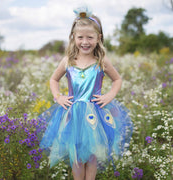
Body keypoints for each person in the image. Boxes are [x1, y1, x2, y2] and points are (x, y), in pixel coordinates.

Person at [36, 6, 133, 180]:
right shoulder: (68, 61)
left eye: (90, 37)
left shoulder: (101, 61)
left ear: (99, 38)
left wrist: (109, 96)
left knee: (92, 155)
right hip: (72, 114)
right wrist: (58, 96)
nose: (85, 42)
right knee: (77, 156)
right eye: (80, 37)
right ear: (74, 37)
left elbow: (117, 80)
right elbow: (53, 80)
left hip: (96, 114)